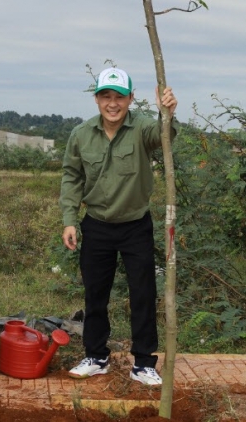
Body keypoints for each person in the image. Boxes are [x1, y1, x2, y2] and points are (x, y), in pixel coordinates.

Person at [59, 67, 178, 386]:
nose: (113, 103)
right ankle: (96, 356)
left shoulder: (141, 128)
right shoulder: (81, 134)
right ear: (97, 98)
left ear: (130, 98)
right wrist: (69, 220)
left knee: (143, 292)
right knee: (95, 294)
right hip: (96, 225)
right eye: (106, 96)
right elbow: (72, 176)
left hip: (135, 226)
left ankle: (143, 362)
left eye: (119, 97)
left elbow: (164, 136)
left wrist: (165, 114)